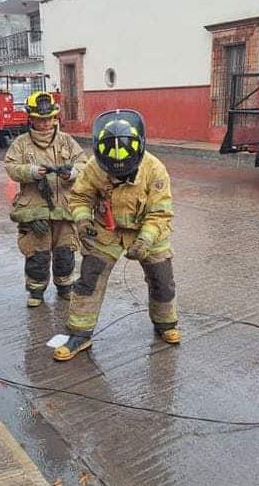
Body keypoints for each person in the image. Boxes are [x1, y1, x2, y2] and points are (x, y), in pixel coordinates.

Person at [54, 109, 180, 361]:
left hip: (148, 229)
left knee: (161, 278)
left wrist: (145, 240)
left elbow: (160, 212)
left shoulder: (155, 170)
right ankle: (79, 333)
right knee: (89, 278)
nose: (117, 176)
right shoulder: (94, 167)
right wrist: (82, 221)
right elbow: (80, 197)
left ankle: (165, 324)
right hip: (106, 229)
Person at [5, 92, 87, 307]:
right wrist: (31, 171)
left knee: (65, 252)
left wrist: (72, 173)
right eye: (40, 119)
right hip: (34, 211)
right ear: (30, 118)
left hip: (65, 209)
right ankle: (36, 292)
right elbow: (11, 168)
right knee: (37, 255)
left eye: (48, 119)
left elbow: (84, 163)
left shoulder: (67, 141)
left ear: (55, 118)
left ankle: (65, 287)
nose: (44, 123)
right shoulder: (21, 144)